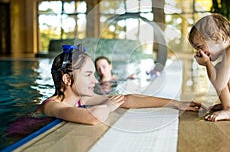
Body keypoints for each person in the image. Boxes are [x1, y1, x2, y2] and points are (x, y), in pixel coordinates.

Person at [32, 44, 201, 125]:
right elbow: (92, 118)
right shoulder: (51, 106)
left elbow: (127, 99)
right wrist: (108, 106)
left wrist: (174, 103)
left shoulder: (81, 99)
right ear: (67, 80)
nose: (96, 80)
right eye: (89, 75)